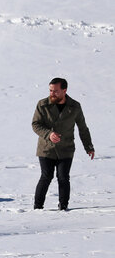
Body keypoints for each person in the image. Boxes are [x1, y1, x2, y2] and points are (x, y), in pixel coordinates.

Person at [31, 78, 94, 210]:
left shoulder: (75, 106)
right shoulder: (42, 104)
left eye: (55, 91)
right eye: (50, 90)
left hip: (66, 149)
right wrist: (49, 134)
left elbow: (83, 128)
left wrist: (88, 147)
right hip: (46, 149)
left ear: (64, 90)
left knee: (63, 177)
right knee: (46, 175)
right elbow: (35, 125)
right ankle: (37, 207)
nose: (52, 93)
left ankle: (64, 207)